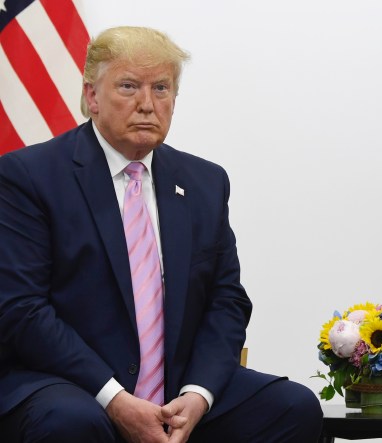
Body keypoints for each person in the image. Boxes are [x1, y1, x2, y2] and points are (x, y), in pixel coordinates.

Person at [0, 26, 322, 443]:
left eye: (162, 88)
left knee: (292, 408)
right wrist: (114, 397)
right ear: (92, 97)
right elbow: (22, 310)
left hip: (177, 384)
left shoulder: (205, 182)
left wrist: (199, 394)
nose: (148, 105)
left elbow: (227, 300)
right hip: (68, 383)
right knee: (72, 421)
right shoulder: (30, 176)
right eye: (129, 87)